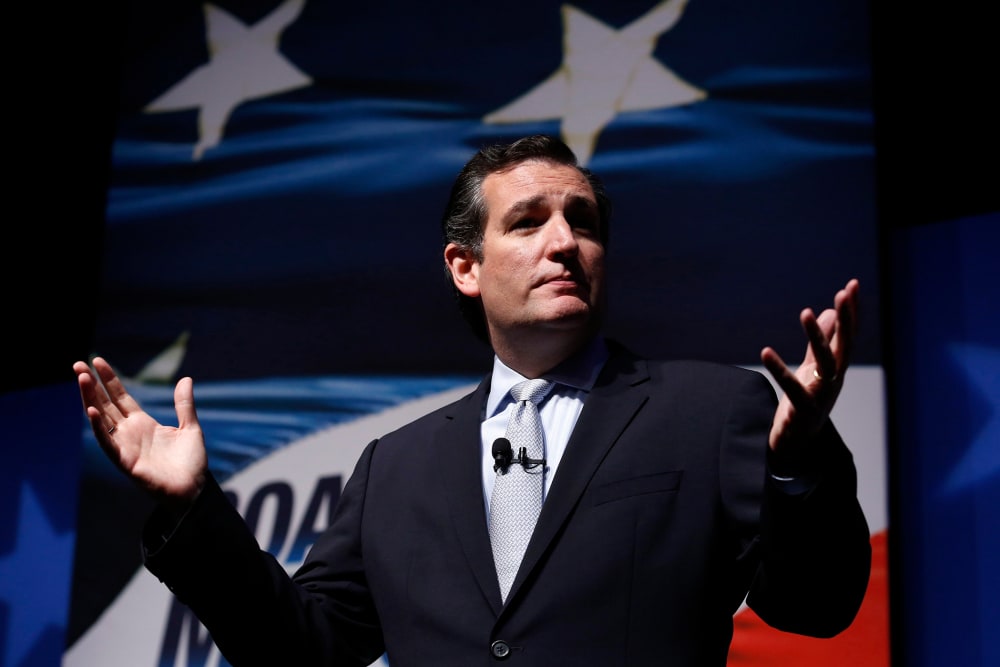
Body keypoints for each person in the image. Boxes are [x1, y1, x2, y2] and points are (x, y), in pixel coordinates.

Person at [74, 134, 871, 666]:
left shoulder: (712, 410)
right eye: (528, 222)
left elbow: (817, 606)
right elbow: (306, 650)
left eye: (582, 221)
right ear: (464, 266)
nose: (564, 242)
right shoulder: (397, 467)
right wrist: (191, 505)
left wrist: (799, 469)